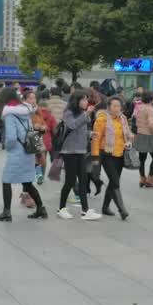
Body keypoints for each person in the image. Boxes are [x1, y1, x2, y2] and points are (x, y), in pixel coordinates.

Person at [0, 87, 46, 221]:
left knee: (6, 181)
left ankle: (6, 212)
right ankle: (41, 208)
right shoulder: (25, 111)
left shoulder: (9, 114)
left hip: (17, 152)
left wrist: (9, 148)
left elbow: (11, 137)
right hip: (28, 151)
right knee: (27, 182)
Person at [56, 92, 97, 220]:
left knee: (83, 180)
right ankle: (61, 208)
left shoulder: (81, 113)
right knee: (70, 180)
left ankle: (85, 210)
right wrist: (86, 114)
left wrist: (90, 134)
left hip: (81, 150)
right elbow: (72, 125)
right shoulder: (68, 112)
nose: (86, 102)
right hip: (70, 151)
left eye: (86, 100)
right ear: (77, 101)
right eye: (84, 100)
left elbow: (81, 131)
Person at [92, 96, 133, 220]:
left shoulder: (123, 119)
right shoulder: (102, 119)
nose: (117, 108)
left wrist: (131, 137)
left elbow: (127, 134)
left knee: (113, 182)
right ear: (109, 106)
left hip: (120, 154)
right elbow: (96, 139)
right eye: (114, 106)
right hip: (106, 154)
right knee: (115, 181)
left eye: (119, 106)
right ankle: (122, 210)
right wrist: (95, 157)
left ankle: (105, 207)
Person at [27, 90, 56, 184]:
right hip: (46, 141)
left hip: (34, 140)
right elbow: (54, 129)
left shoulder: (33, 115)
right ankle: (41, 175)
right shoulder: (50, 116)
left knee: (37, 159)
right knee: (43, 160)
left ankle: (38, 175)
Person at [133, 93, 153, 189]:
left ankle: (142, 178)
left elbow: (135, 121)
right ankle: (150, 179)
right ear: (151, 100)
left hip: (140, 134)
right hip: (148, 135)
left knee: (142, 159)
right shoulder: (150, 108)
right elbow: (152, 124)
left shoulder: (139, 107)